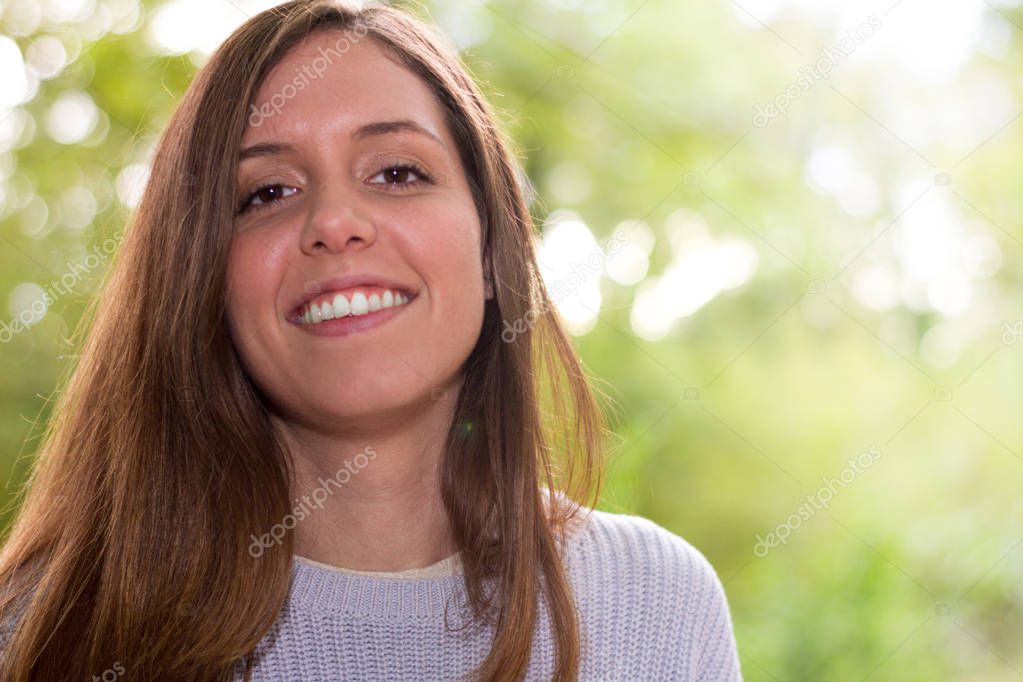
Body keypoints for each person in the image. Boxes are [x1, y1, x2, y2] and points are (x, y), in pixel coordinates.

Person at [0, 1, 743, 679]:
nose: (334, 221)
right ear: (201, 283)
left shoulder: (658, 604)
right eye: (266, 193)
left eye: (395, 172)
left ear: (492, 252)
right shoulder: (45, 632)